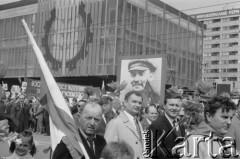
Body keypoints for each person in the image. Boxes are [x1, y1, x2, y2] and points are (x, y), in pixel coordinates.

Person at [104, 91, 144, 159]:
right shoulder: (115, 123)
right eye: (134, 101)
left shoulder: (138, 122)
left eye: (139, 103)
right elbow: (108, 152)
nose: (137, 105)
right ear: (125, 102)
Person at [148, 92, 185, 158]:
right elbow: (151, 150)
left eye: (177, 105)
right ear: (164, 106)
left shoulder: (181, 125)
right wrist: (174, 151)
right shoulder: (155, 125)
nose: (174, 108)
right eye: (171, 105)